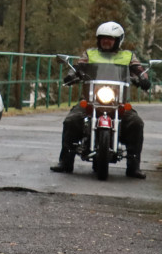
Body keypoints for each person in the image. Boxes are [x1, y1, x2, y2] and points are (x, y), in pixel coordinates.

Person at [50, 21, 151, 179]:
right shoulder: (90, 54)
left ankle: (133, 166)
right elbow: (78, 68)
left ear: (118, 40)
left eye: (110, 38)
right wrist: (72, 75)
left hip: (119, 103)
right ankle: (65, 162)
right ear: (98, 39)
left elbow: (139, 70)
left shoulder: (128, 56)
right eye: (103, 38)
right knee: (72, 120)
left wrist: (143, 78)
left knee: (136, 123)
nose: (106, 41)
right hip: (91, 101)